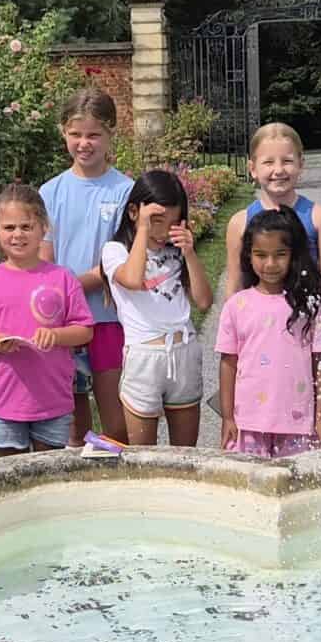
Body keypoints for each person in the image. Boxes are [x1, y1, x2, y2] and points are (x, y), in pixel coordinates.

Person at [0, 184, 96, 455]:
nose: (18, 234)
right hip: (6, 399)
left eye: (26, 226)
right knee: (10, 472)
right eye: (9, 227)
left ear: (43, 229)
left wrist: (56, 335)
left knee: (48, 471)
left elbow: (84, 330)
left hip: (52, 399)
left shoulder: (62, 278)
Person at [39, 90, 134, 449]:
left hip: (109, 318)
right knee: (73, 423)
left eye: (94, 134)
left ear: (111, 134)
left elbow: (120, 261)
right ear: (63, 132)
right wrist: (57, 295)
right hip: (64, 322)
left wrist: (70, 287)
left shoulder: (126, 191)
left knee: (116, 422)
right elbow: (43, 259)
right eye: (75, 134)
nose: (84, 143)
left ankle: (119, 478)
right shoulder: (50, 192)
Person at [216, 209, 321, 457]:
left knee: (297, 481)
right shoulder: (236, 305)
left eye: (280, 254)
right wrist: (228, 418)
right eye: (261, 255)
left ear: (294, 254)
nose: (270, 264)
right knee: (250, 481)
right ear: (249, 255)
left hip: (299, 423)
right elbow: (228, 363)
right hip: (249, 422)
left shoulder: (310, 305)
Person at [103, 170, 213, 446]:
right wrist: (142, 229)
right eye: (157, 221)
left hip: (184, 350)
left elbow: (203, 301)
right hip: (144, 356)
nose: (164, 232)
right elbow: (132, 280)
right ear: (133, 212)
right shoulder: (115, 250)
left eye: (173, 223)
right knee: (143, 456)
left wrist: (190, 253)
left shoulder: (177, 251)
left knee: (185, 454)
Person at [221, 123, 321, 297]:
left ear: (300, 164)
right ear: (253, 169)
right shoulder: (239, 223)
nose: (278, 170)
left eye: (287, 161)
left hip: (305, 311)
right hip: (257, 313)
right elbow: (234, 285)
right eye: (268, 162)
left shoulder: (319, 218)